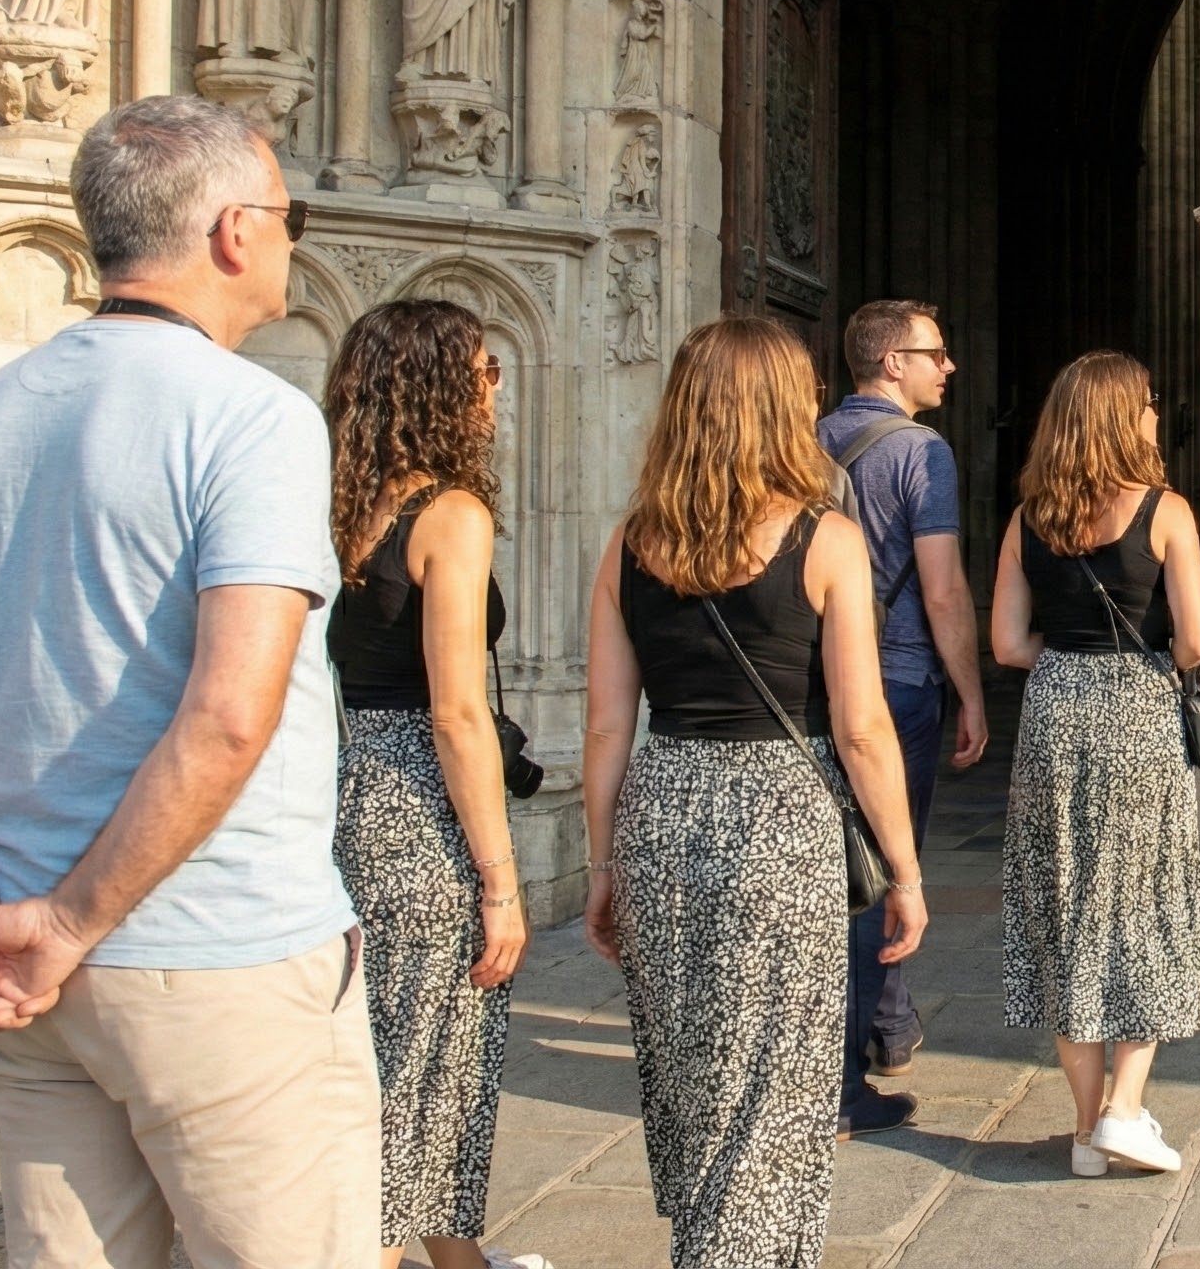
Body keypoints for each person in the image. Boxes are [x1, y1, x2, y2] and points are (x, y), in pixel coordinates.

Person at [0, 94, 379, 1261]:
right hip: (215, 953)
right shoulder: (252, 419)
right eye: (288, 212)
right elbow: (227, 717)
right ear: (237, 231)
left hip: (34, 979)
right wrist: (70, 920)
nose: (294, 238)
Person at [580, 314, 929, 1264]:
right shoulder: (826, 539)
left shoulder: (630, 544)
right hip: (780, 817)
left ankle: (709, 1243)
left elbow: (609, 724)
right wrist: (903, 869)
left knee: (691, 1069)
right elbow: (861, 729)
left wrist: (601, 860)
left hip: (663, 807)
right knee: (775, 1078)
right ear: (785, 410)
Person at [324, 299, 529, 1269]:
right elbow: (456, 712)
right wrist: (498, 879)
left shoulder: (337, 501)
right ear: (442, 388)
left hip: (341, 779)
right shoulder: (450, 515)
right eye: (484, 372)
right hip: (419, 800)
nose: (496, 388)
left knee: (382, 1039)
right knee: (428, 1051)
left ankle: (456, 1258)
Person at [991, 351, 1200, 1177]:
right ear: (1124, 417)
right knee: (1145, 903)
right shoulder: (1165, 511)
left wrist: (1071, 655)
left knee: (1066, 909)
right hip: (1138, 711)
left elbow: (1008, 644)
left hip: (1053, 711)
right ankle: (1124, 1108)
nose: (1156, 413)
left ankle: (1088, 1133)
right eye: (1149, 402)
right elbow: (1195, 641)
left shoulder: (1027, 518)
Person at [818, 299, 991, 1130]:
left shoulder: (806, 441)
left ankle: (888, 1027)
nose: (948, 367)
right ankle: (846, 1079)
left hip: (816, 686)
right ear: (892, 363)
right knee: (887, 866)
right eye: (935, 352)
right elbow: (944, 585)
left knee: (832, 864)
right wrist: (972, 691)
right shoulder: (923, 451)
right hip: (898, 683)